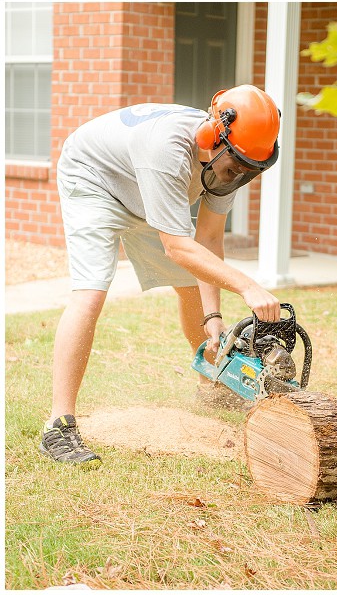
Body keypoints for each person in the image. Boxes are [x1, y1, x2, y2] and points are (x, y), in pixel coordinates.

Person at [40, 85, 282, 467]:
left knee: (191, 288)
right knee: (91, 291)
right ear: (211, 136)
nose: (237, 175)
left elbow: (208, 240)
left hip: (147, 190)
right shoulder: (167, 151)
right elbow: (177, 247)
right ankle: (59, 423)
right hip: (95, 180)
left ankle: (210, 385)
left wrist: (213, 315)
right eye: (235, 165)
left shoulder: (232, 162)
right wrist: (248, 286)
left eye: (248, 170)